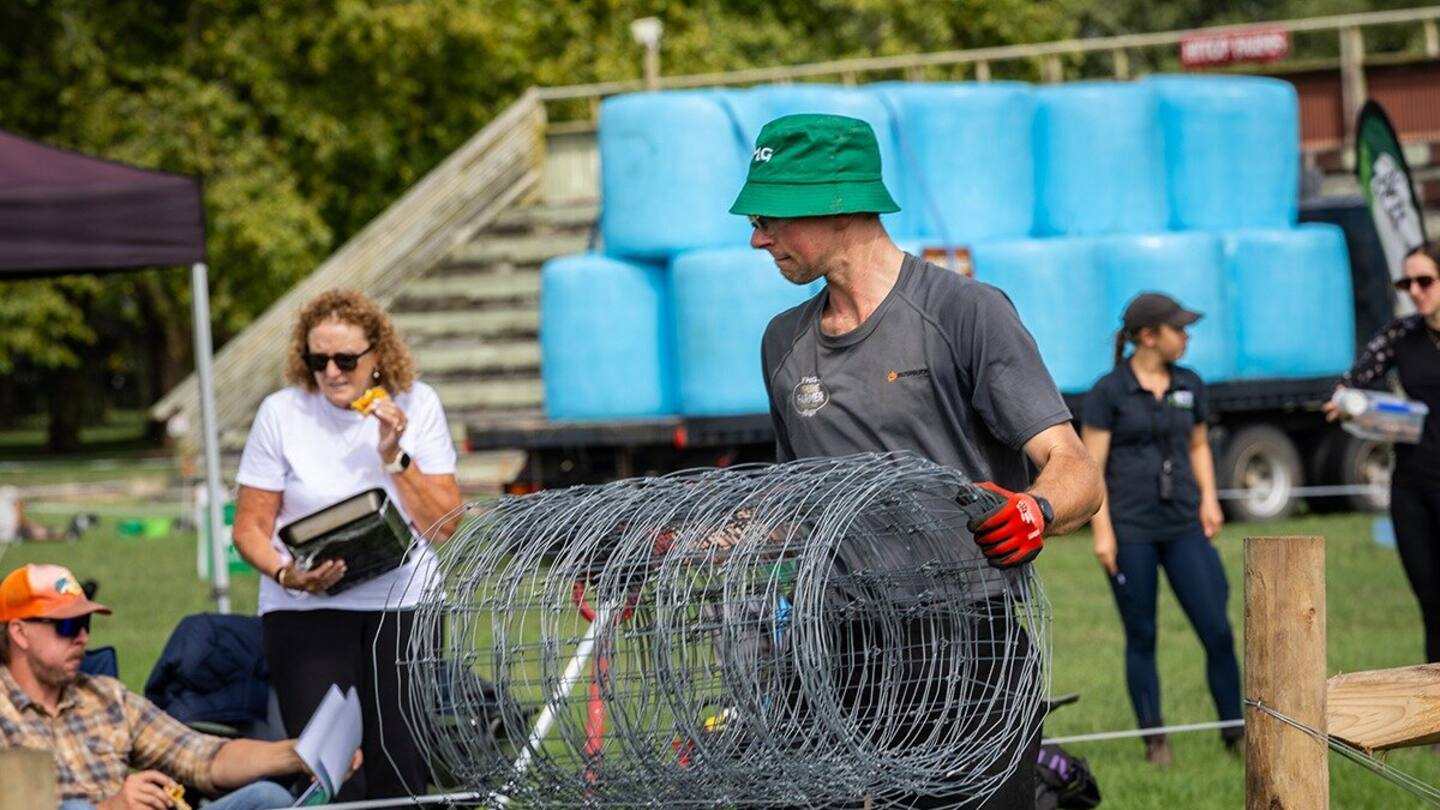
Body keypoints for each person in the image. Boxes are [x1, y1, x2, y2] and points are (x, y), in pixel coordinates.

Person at [736, 114, 1103, 809]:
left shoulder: (965, 311)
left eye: (771, 218)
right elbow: (794, 515)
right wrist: (664, 558)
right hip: (838, 654)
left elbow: (1076, 467)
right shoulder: (782, 343)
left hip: (970, 648)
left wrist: (1035, 509)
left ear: (840, 204)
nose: (758, 238)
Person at [232, 288, 462, 801]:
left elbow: (446, 525)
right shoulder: (282, 413)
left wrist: (394, 456)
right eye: (318, 360)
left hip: (403, 603)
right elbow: (249, 529)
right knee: (331, 773)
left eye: (345, 359)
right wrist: (289, 574)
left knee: (401, 767)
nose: (332, 372)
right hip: (306, 610)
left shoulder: (417, 404)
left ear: (377, 354)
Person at [0, 563, 312, 810]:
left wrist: (298, 754)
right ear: (20, 633)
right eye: (67, 626)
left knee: (268, 798)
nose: (83, 637)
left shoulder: (105, 696)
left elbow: (200, 755)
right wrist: (110, 808)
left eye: (86, 624)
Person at [1080, 292, 1241, 767]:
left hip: (1184, 526)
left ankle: (1235, 733)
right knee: (1142, 635)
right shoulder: (1109, 392)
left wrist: (1209, 500)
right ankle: (1155, 740)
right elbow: (1092, 469)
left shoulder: (1190, 383)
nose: (1186, 336)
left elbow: (1198, 446)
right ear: (1148, 336)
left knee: (1218, 630)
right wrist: (1103, 532)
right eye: (1178, 328)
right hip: (1130, 531)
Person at [1324, 241, 1440, 662]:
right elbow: (1355, 379)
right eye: (1406, 284)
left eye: (1424, 281)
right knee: (1432, 604)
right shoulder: (1401, 334)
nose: (1415, 291)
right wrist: (1345, 402)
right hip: (1413, 483)